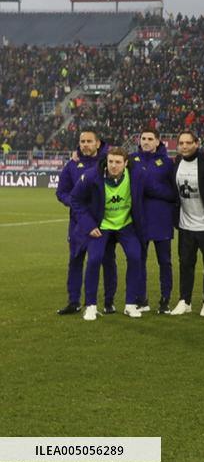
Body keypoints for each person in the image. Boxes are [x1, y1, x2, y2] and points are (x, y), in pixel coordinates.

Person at [69, 147, 146, 320]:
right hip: (101, 227)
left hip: (126, 225)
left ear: (126, 163)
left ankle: (130, 304)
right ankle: (90, 306)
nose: (113, 165)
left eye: (118, 162)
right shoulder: (91, 176)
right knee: (94, 259)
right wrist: (89, 225)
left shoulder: (137, 175)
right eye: (110, 161)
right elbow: (75, 199)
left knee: (135, 257)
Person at [55, 129, 117, 315]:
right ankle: (74, 301)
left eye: (89, 141)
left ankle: (108, 302)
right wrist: (73, 203)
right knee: (75, 260)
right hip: (78, 222)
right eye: (82, 141)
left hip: (103, 222)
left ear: (98, 143)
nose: (85, 145)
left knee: (107, 260)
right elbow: (61, 191)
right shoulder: (72, 165)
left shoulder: (108, 161)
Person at [130, 128, 177, 314]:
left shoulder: (167, 163)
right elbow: (109, 162)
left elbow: (173, 193)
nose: (146, 141)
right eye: (143, 138)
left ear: (158, 141)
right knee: (138, 260)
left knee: (164, 261)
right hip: (139, 219)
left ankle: (165, 300)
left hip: (161, 219)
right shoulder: (132, 160)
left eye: (150, 139)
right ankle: (141, 300)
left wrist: (150, 189)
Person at [170, 131, 204, 317]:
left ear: (197, 144)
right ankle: (185, 300)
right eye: (181, 143)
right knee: (185, 263)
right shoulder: (176, 163)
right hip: (185, 225)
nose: (184, 146)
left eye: (189, 142)